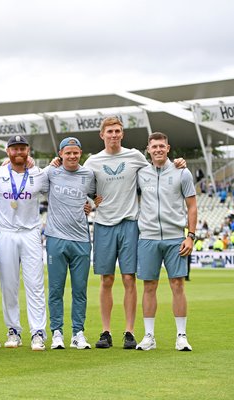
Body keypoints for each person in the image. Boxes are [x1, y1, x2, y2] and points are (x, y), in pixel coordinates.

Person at [84, 116, 153, 349]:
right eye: (110, 131)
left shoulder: (135, 156)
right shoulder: (93, 161)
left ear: (122, 134)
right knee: (107, 279)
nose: (113, 135)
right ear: (102, 135)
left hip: (129, 223)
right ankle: (105, 331)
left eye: (117, 131)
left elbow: (157, 169)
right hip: (103, 224)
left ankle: (129, 332)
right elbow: (80, 185)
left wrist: (179, 164)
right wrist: (92, 201)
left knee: (128, 278)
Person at [135, 132, 196, 351]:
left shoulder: (182, 172)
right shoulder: (141, 173)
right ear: (148, 149)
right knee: (149, 286)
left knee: (177, 284)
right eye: (154, 147)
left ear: (168, 148)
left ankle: (181, 336)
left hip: (175, 237)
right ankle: (149, 336)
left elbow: (192, 206)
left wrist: (190, 235)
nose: (158, 149)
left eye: (162, 146)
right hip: (148, 237)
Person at [0, 135, 49, 351]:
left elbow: (57, 191)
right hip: (5, 232)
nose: (19, 152)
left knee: (35, 284)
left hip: (31, 232)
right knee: (9, 285)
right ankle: (13, 330)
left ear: (28, 150)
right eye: (14, 149)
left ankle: (38, 332)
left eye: (22, 148)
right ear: (8, 152)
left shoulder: (39, 175)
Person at [45, 137, 96, 350]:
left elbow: (98, 197)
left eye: (76, 152)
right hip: (56, 238)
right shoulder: (51, 172)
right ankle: (57, 332)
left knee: (80, 290)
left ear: (80, 153)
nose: (72, 156)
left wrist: (91, 205)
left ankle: (78, 333)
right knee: (56, 289)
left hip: (82, 239)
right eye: (68, 153)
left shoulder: (89, 174)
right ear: (61, 155)